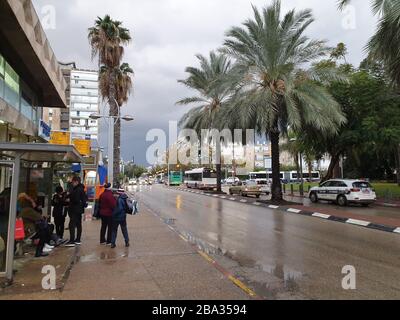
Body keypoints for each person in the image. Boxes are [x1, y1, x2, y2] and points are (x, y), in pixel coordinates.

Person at [65, 176, 88, 247]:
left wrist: (69, 200)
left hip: (75, 209)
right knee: (78, 224)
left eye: (73, 182)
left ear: (76, 182)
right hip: (79, 209)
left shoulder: (77, 189)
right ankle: (78, 239)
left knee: (72, 224)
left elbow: (76, 199)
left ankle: (72, 240)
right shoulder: (82, 189)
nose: (72, 183)